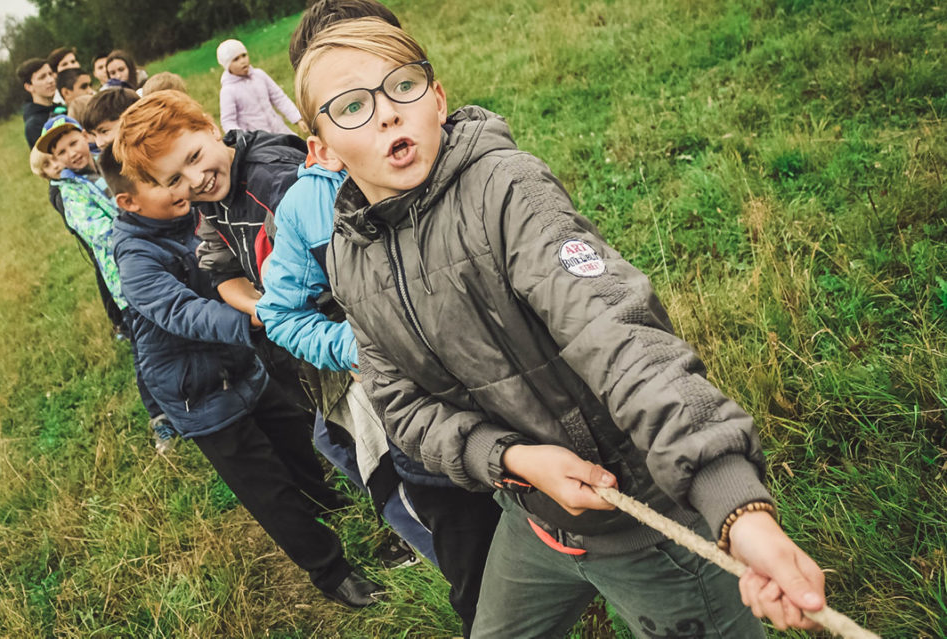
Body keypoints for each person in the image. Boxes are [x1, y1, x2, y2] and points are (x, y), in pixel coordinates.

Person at [296, 18, 829, 638]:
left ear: (437, 99)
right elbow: (400, 406)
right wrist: (511, 458)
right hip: (532, 517)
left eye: (404, 86)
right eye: (353, 106)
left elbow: (618, 334)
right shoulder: (348, 258)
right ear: (323, 151)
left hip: (647, 525)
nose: (388, 114)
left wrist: (735, 504)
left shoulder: (507, 191)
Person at [255, 4, 501, 634]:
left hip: (513, 395)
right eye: (349, 98)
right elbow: (280, 314)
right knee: (476, 572)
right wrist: (361, 348)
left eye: (394, 78)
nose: (382, 108)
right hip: (426, 429)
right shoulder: (312, 206)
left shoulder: (472, 163)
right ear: (320, 126)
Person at [101, 144, 385, 608]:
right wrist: (262, 317)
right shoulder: (134, 257)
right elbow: (181, 311)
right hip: (199, 395)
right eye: (163, 182)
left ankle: (327, 502)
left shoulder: (198, 214)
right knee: (266, 485)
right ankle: (330, 571)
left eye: (178, 175)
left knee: (296, 441)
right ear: (128, 202)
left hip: (242, 367)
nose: (181, 186)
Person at [35, 115, 174, 451]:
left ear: (85, 137)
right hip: (127, 280)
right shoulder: (71, 193)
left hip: (162, 260)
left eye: (72, 143)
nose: (71, 153)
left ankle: (191, 390)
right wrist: (144, 226)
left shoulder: (111, 165)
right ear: (55, 161)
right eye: (61, 152)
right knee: (146, 349)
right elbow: (100, 233)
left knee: (175, 325)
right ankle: (159, 417)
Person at [216, 39, 306, 135]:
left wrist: (297, 118)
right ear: (227, 66)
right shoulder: (228, 90)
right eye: (236, 59)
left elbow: (279, 98)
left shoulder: (259, 75)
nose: (243, 61)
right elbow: (228, 121)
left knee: (299, 148)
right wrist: (243, 137)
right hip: (259, 141)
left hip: (279, 130)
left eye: (244, 55)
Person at [17, 58, 60, 147]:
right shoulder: (34, 125)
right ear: (29, 87)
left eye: (50, 74)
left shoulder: (61, 108)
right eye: (42, 77)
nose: (51, 80)